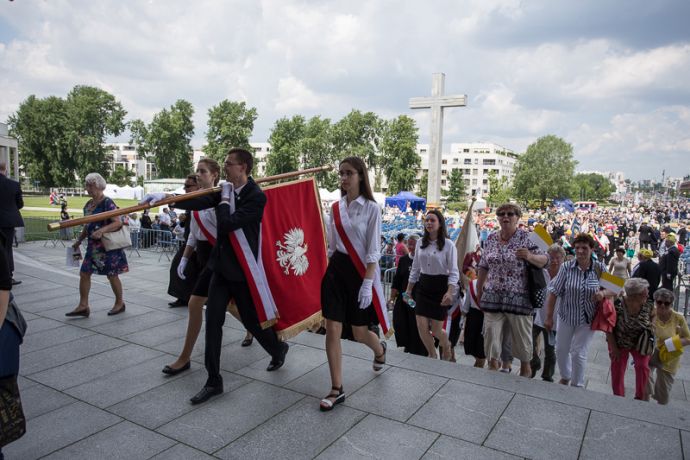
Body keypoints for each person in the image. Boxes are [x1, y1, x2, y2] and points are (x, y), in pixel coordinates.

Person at [143, 148, 288, 405]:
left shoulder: (256, 197)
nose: (226, 168)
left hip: (243, 272)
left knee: (253, 323)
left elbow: (228, 223)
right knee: (213, 322)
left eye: (229, 164)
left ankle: (278, 349)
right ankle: (214, 381)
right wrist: (167, 199)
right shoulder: (225, 190)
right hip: (221, 268)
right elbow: (198, 200)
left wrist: (222, 201)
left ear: (243, 167)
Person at [319, 156, 386, 411]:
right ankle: (337, 388)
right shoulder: (335, 208)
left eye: (349, 173)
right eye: (341, 174)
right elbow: (332, 247)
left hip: (360, 274)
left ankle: (379, 350)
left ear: (360, 175)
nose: (344, 178)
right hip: (337, 271)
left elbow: (373, 250)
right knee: (332, 327)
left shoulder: (372, 208)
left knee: (359, 332)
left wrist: (368, 283)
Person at [477, 203, 548, 377]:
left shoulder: (527, 238)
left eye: (510, 214)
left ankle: (525, 373)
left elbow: (545, 260)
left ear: (518, 217)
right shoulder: (491, 238)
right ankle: (492, 370)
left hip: (520, 299)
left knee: (523, 344)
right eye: (501, 214)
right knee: (490, 337)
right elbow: (484, 265)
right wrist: (479, 288)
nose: (505, 217)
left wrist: (529, 256)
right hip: (493, 297)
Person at [162, 161, 220, 374]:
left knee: (231, 308)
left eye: (202, 171)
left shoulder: (218, 198)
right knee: (197, 305)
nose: (197, 175)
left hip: (220, 258)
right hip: (204, 257)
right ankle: (185, 358)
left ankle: (274, 344)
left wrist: (174, 200)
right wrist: (185, 259)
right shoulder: (195, 206)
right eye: (197, 171)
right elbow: (194, 237)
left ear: (214, 175)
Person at [544, 233, 607, 387]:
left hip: (587, 319)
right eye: (577, 247)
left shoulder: (600, 267)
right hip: (566, 316)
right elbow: (554, 292)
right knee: (561, 349)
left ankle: (577, 384)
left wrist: (603, 293)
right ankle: (565, 375)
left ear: (592, 249)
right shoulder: (566, 267)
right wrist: (549, 317)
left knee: (578, 352)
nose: (580, 251)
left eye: (584, 248)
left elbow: (616, 289)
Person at [65, 173, 128, 318]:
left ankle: (120, 303)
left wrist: (102, 230)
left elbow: (117, 222)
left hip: (108, 247)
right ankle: (83, 306)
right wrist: (79, 240)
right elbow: (88, 225)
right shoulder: (88, 205)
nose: (87, 188)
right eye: (86, 185)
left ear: (99, 186)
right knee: (84, 273)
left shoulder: (107, 202)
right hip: (93, 247)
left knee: (112, 275)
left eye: (90, 185)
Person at [405, 209, 459, 360]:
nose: (429, 223)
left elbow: (454, 272)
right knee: (421, 325)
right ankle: (432, 355)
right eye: (427, 220)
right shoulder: (420, 243)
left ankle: (446, 344)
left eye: (432, 220)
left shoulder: (449, 245)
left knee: (436, 330)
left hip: (440, 288)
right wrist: (408, 291)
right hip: (423, 286)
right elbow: (415, 268)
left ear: (440, 223)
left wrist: (450, 292)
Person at [607, 278, 654, 400]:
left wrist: (653, 327)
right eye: (644, 293)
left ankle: (639, 396)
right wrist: (614, 348)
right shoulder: (618, 305)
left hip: (640, 342)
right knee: (617, 366)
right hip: (619, 341)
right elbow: (609, 329)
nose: (647, 294)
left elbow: (654, 316)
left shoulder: (648, 304)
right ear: (634, 295)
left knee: (643, 366)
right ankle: (618, 397)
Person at [647, 288, 690, 405]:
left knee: (663, 391)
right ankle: (643, 404)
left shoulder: (678, 318)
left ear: (671, 304)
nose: (662, 305)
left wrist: (670, 344)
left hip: (668, 356)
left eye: (666, 303)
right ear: (655, 301)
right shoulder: (651, 313)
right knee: (645, 379)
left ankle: (660, 412)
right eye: (659, 302)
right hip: (651, 353)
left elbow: (688, 338)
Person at [531, 244, 566, 382]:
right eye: (552, 257)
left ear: (563, 259)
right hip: (537, 315)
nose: (554, 260)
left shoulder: (566, 275)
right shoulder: (541, 271)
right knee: (528, 342)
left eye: (558, 258)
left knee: (550, 350)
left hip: (554, 319)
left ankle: (547, 376)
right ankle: (534, 363)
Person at [167, 175, 199, 308]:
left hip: (202, 244)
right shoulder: (190, 201)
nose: (185, 189)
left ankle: (197, 299)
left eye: (188, 186)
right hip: (190, 242)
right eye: (185, 186)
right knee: (178, 267)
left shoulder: (202, 200)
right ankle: (183, 297)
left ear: (198, 186)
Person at [391, 235, 426, 356]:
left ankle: (417, 348)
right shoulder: (404, 260)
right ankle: (407, 344)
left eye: (413, 244)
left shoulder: (423, 260)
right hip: (404, 297)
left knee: (415, 322)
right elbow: (397, 279)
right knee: (400, 321)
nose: (410, 247)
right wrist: (392, 297)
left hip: (417, 298)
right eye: (409, 244)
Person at [0, 162, 24, 285]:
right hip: (8, 222)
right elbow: (19, 204)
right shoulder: (13, 184)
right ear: (5, 170)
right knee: (7, 249)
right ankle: (8, 276)